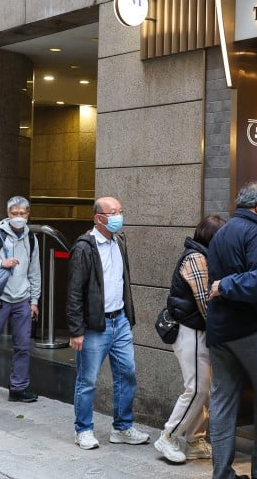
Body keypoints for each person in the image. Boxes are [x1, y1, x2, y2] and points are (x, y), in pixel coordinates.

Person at [206, 182, 257, 479]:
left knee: (222, 400)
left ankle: (222, 472)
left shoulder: (222, 232)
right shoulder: (256, 233)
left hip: (219, 330)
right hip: (252, 330)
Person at [66, 196, 149, 450]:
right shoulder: (84, 247)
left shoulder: (119, 242)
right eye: (113, 213)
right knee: (87, 379)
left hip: (120, 320)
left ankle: (122, 427)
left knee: (127, 374)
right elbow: (74, 291)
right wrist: (76, 329)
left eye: (120, 211)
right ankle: (84, 429)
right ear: (99, 218)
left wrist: (128, 315)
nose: (118, 217)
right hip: (94, 326)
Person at [156, 215, 225, 464]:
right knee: (196, 388)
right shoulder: (196, 258)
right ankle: (169, 436)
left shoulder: (202, 255)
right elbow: (205, 301)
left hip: (198, 331)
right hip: (191, 331)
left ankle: (195, 440)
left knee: (203, 390)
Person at [0, 196, 42, 403]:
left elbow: (35, 271)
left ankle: (18, 388)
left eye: (22, 214)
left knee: (23, 346)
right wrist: (1, 263)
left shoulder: (32, 239)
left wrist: (34, 301)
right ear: (8, 214)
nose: (19, 217)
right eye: (14, 213)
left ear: (28, 214)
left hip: (22, 299)